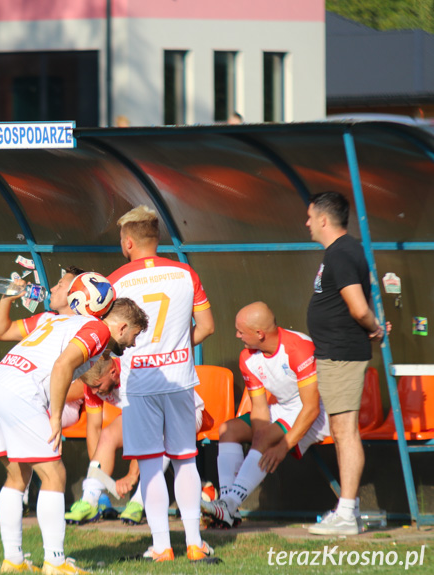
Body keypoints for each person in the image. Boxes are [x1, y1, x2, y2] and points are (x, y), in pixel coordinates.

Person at [0, 295, 147, 574]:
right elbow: (61, 366)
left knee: (17, 475)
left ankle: (13, 561)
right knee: (54, 474)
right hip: (21, 393)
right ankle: (55, 563)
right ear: (121, 327)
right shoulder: (99, 329)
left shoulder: (54, 318)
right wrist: (55, 416)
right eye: (134, 334)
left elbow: (1, 332)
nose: (132, 343)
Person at [108, 205, 217, 564]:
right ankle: (194, 544)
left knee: (152, 463)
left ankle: (161, 546)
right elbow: (207, 326)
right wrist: (179, 349)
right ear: (156, 239)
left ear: (127, 242)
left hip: (138, 381)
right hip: (179, 379)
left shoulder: (116, 281)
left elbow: (110, 337)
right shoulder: (186, 273)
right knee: (186, 461)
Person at [0, 267, 87, 518]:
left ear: (78, 294)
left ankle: (46, 547)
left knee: (45, 472)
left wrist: (34, 390)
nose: (53, 288)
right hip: (26, 396)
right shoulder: (47, 318)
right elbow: (0, 331)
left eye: (60, 285)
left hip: (57, 405)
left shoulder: (87, 327)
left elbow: (83, 386)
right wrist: (9, 297)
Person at [201, 302, 329, 528]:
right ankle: (228, 507)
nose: (237, 335)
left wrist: (282, 446)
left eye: (241, 331)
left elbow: (311, 408)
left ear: (260, 334)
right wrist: (258, 443)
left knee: (263, 437)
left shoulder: (299, 348)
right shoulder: (247, 357)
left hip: (316, 414)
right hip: (284, 409)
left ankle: (228, 505)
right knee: (227, 430)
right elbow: (259, 408)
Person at [305, 191, 384, 536]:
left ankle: (348, 513)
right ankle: (345, 511)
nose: (307, 223)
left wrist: (375, 328)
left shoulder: (342, 253)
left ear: (324, 219)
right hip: (334, 353)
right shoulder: (339, 253)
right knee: (340, 431)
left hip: (342, 354)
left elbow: (358, 306)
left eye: (310, 217)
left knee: (345, 432)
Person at [64, 353, 208, 526]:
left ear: (113, 371)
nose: (94, 391)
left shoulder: (134, 376)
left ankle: (138, 502)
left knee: (163, 436)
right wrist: (97, 476)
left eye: (98, 386)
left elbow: (149, 430)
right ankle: (90, 499)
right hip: (147, 416)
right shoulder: (93, 384)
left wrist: (132, 476)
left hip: (185, 412)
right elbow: (94, 428)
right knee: (108, 435)